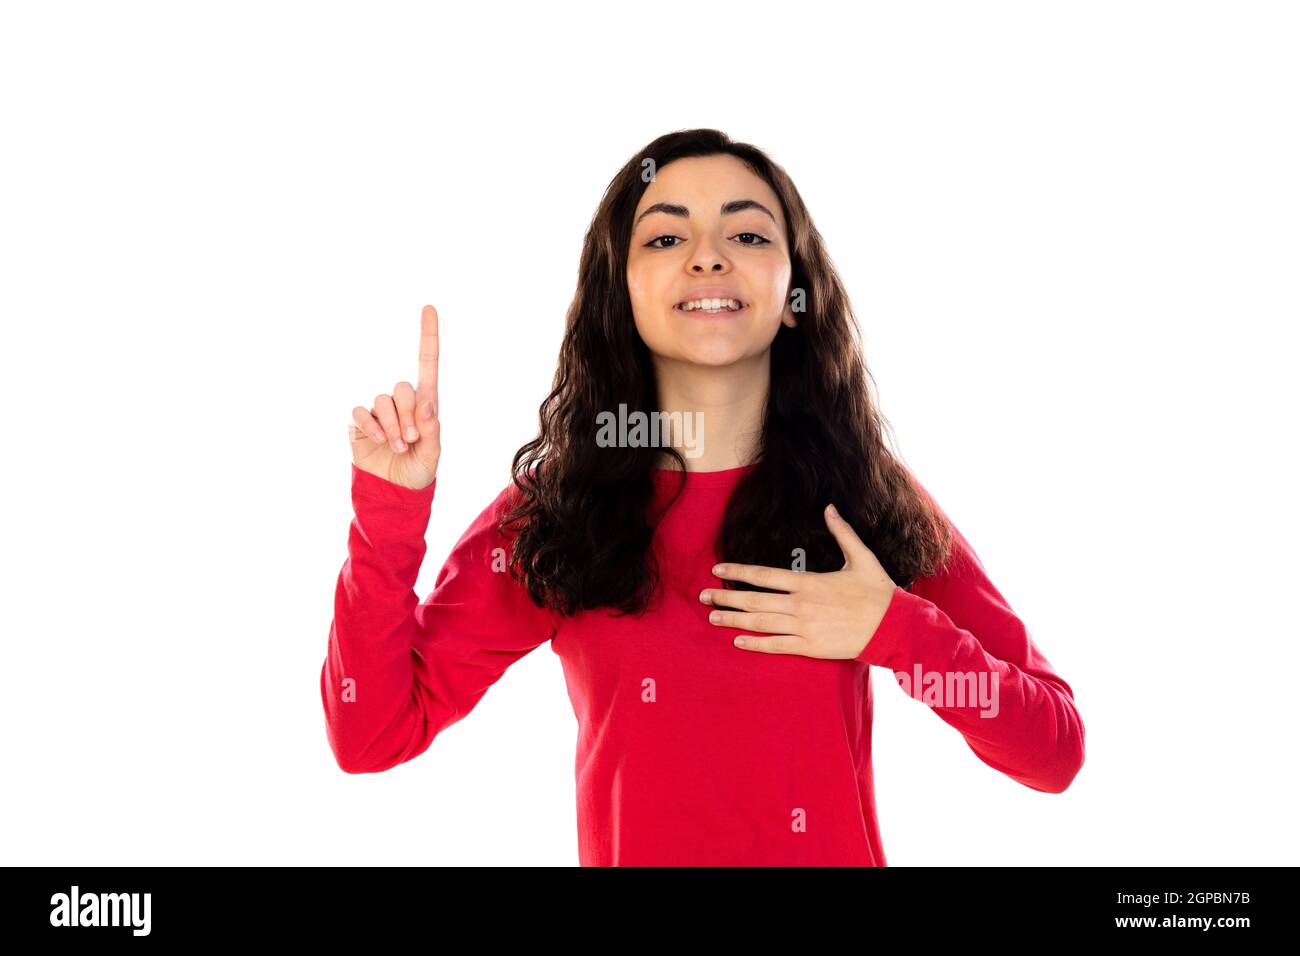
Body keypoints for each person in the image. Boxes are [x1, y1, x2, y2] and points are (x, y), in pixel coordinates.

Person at [321, 128, 1085, 866]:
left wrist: (895, 629)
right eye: (664, 238)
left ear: (793, 295)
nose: (709, 258)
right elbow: (372, 734)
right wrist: (390, 514)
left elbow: (1054, 751)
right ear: (619, 291)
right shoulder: (559, 510)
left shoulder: (860, 493)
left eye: (749, 237)